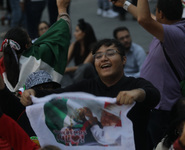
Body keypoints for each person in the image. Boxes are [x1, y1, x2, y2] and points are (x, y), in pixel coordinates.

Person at [21, 39, 160, 150]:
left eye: (110, 53)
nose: (104, 58)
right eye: (98, 56)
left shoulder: (135, 84)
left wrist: (138, 93)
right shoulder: (86, 87)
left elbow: (154, 96)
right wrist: (34, 93)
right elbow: (57, 95)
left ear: (124, 60)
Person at [111, 0, 185, 148]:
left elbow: (144, 19)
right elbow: (148, 18)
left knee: (155, 146)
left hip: (160, 109)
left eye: (156, 12)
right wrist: (124, 4)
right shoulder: (172, 27)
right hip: (153, 104)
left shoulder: (174, 33)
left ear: (161, 13)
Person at [0, 0, 71, 92]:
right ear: (27, 46)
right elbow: (60, 33)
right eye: (30, 39)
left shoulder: (3, 63)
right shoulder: (38, 54)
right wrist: (62, 9)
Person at [0, 70, 61, 149]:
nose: (41, 92)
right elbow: (2, 89)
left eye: (47, 87)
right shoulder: (20, 111)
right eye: (36, 89)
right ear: (27, 93)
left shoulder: (65, 115)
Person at [61, 18, 97, 87]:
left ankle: (72, 88)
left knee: (85, 67)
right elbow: (64, 63)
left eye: (77, 31)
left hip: (90, 75)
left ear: (84, 33)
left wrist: (67, 69)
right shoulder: (74, 45)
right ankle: (68, 89)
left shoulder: (94, 47)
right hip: (77, 75)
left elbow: (84, 66)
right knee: (62, 73)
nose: (74, 34)